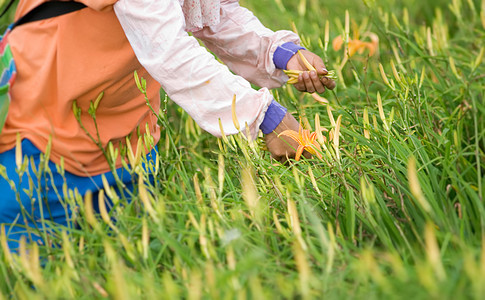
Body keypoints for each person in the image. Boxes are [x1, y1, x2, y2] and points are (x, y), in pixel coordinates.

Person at [0, 0, 335, 249]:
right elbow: (170, 50)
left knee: (121, 262)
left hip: (127, 140)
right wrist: (265, 118)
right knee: (42, 269)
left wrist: (283, 53)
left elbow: (212, 14)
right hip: (41, 138)